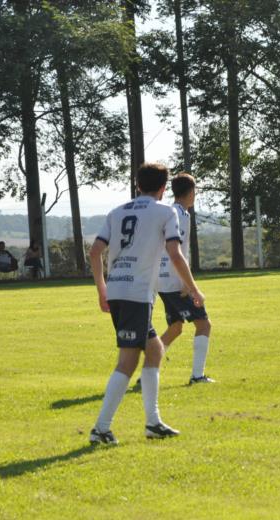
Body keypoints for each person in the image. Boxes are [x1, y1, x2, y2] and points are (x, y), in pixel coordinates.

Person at [88, 162, 205, 445]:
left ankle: (153, 423)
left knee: (154, 350)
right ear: (164, 189)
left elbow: (94, 252)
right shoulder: (165, 212)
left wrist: (102, 289)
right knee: (127, 362)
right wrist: (194, 289)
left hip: (117, 289)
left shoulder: (117, 212)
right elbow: (176, 255)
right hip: (135, 293)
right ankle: (101, 429)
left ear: (137, 185)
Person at [156, 173, 214, 385]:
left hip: (162, 281)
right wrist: (189, 285)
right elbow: (176, 252)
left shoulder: (168, 213)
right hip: (174, 282)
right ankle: (197, 376)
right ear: (191, 192)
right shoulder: (180, 215)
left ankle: (148, 371)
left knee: (176, 327)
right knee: (204, 324)